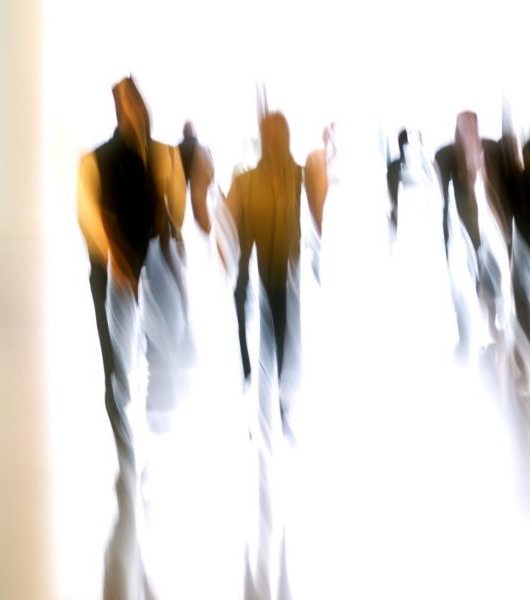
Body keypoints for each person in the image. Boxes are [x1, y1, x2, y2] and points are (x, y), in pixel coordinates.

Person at [76, 76, 185, 600]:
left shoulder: (160, 156)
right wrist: (114, 257)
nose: (135, 111)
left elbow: (173, 214)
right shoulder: (96, 160)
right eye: (127, 102)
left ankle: (139, 457)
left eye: (138, 100)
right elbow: (91, 217)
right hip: (116, 276)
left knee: (147, 362)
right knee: (118, 370)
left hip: (148, 271)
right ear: (119, 109)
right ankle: (128, 458)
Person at [225, 111, 303, 599]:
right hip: (254, 271)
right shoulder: (250, 178)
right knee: (260, 337)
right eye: (272, 134)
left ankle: (272, 399)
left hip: (279, 271)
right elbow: (231, 225)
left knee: (281, 333)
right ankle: (260, 392)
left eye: (281, 133)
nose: (277, 140)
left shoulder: (295, 174)